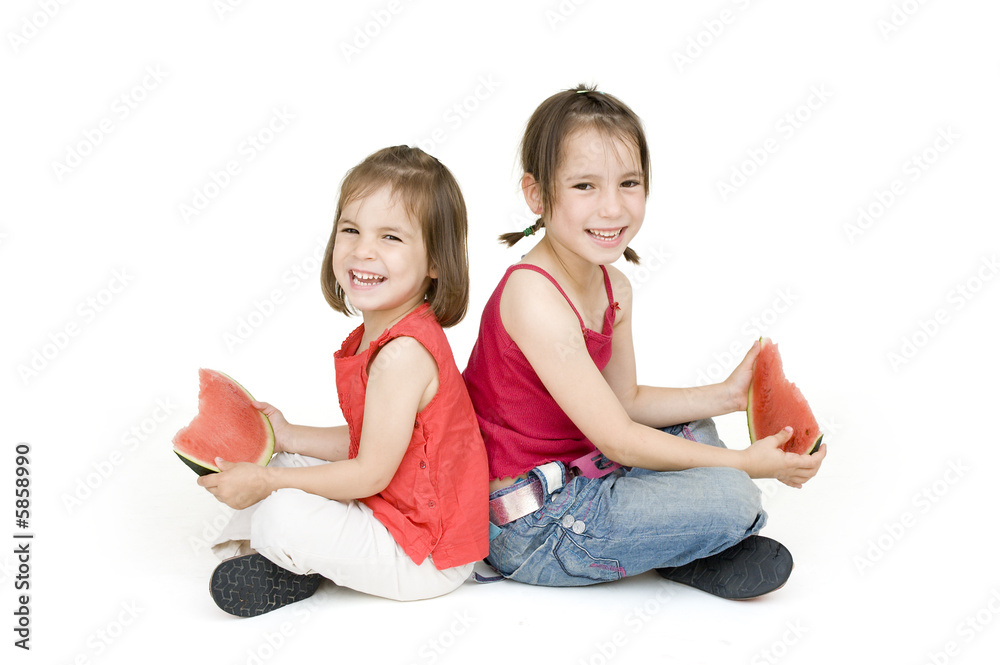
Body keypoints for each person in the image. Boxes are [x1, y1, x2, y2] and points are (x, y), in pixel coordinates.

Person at [462, 84, 826, 599]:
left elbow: (625, 402)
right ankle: (693, 542)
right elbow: (618, 437)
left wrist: (726, 395)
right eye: (585, 186)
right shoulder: (532, 296)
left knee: (691, 422)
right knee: (734, 496)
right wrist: (747, 462)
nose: (612, 207)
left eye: (628, 183)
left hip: (586, 471)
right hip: (537, 525)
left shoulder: (615, 287)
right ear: (537, 194)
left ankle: (676, 541)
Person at [199, 146, 489, 616]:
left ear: (436, 261)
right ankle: (285, 558)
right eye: (350, 230)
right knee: (291, 459)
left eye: (390, 237)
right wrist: (288, 436)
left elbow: (369, 472)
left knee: (281, 507)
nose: (362, 250)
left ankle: (282, 558)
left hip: (426, 556)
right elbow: (368, 443)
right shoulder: (377, 335)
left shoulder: (403, 355)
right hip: (390, 515)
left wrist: (267, 482)